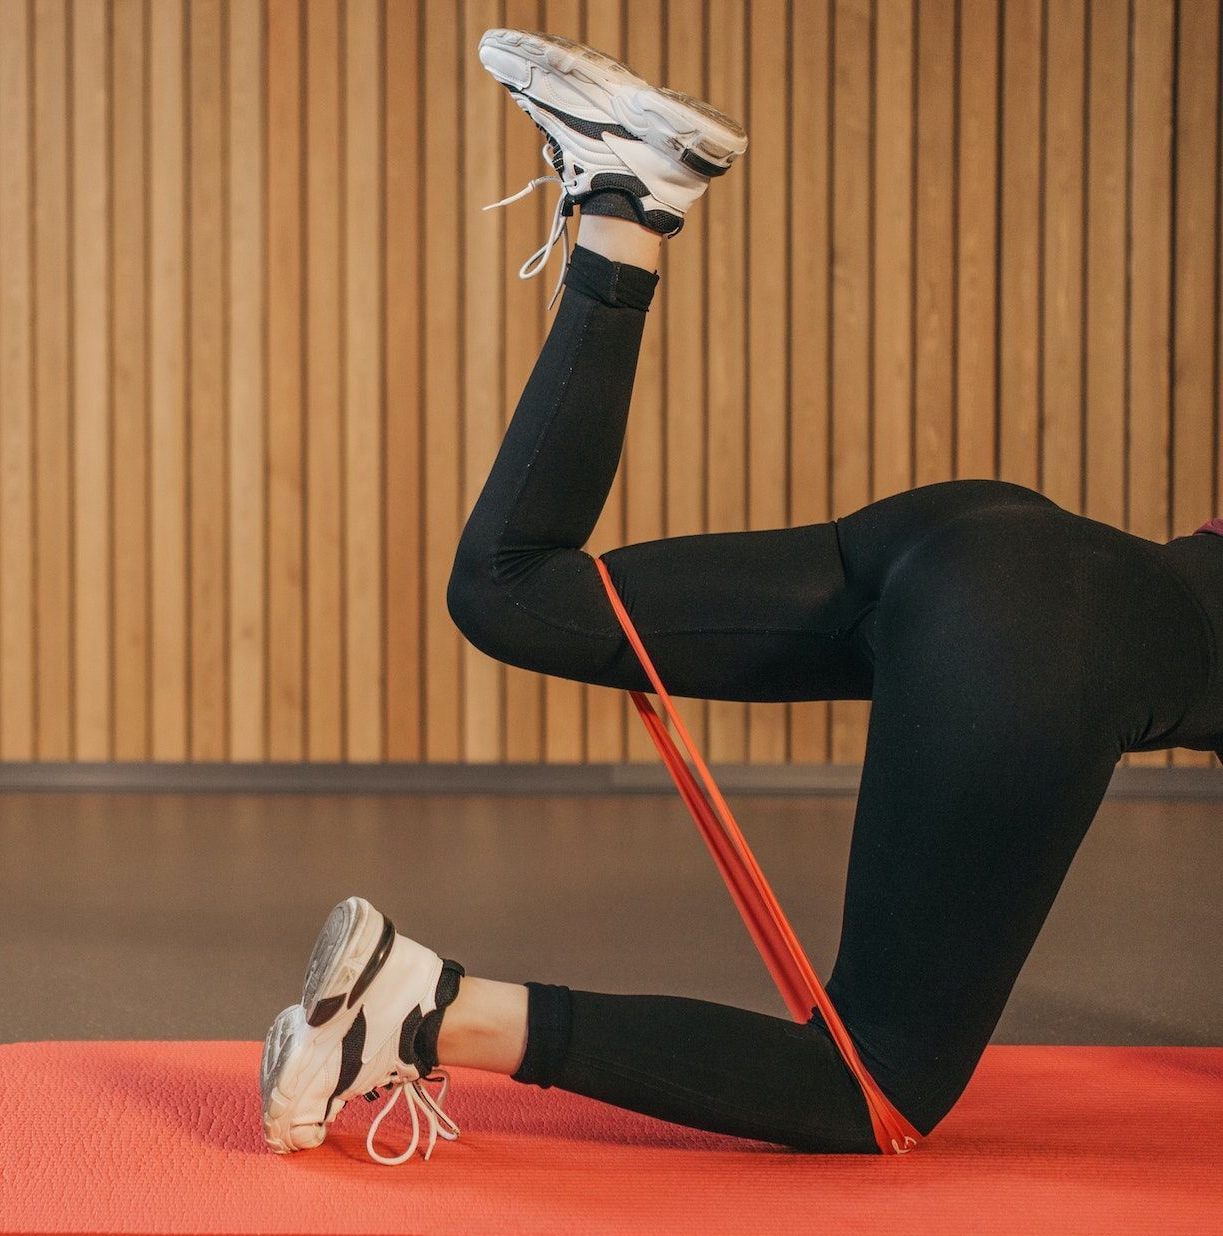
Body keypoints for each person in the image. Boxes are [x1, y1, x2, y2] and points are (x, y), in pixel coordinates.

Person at [259, 28, 1223, 1167]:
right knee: (872, 1089)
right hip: (1034, 640)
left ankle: (628, 199)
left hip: (982, 539)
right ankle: (421, 1007)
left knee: (513, 591)